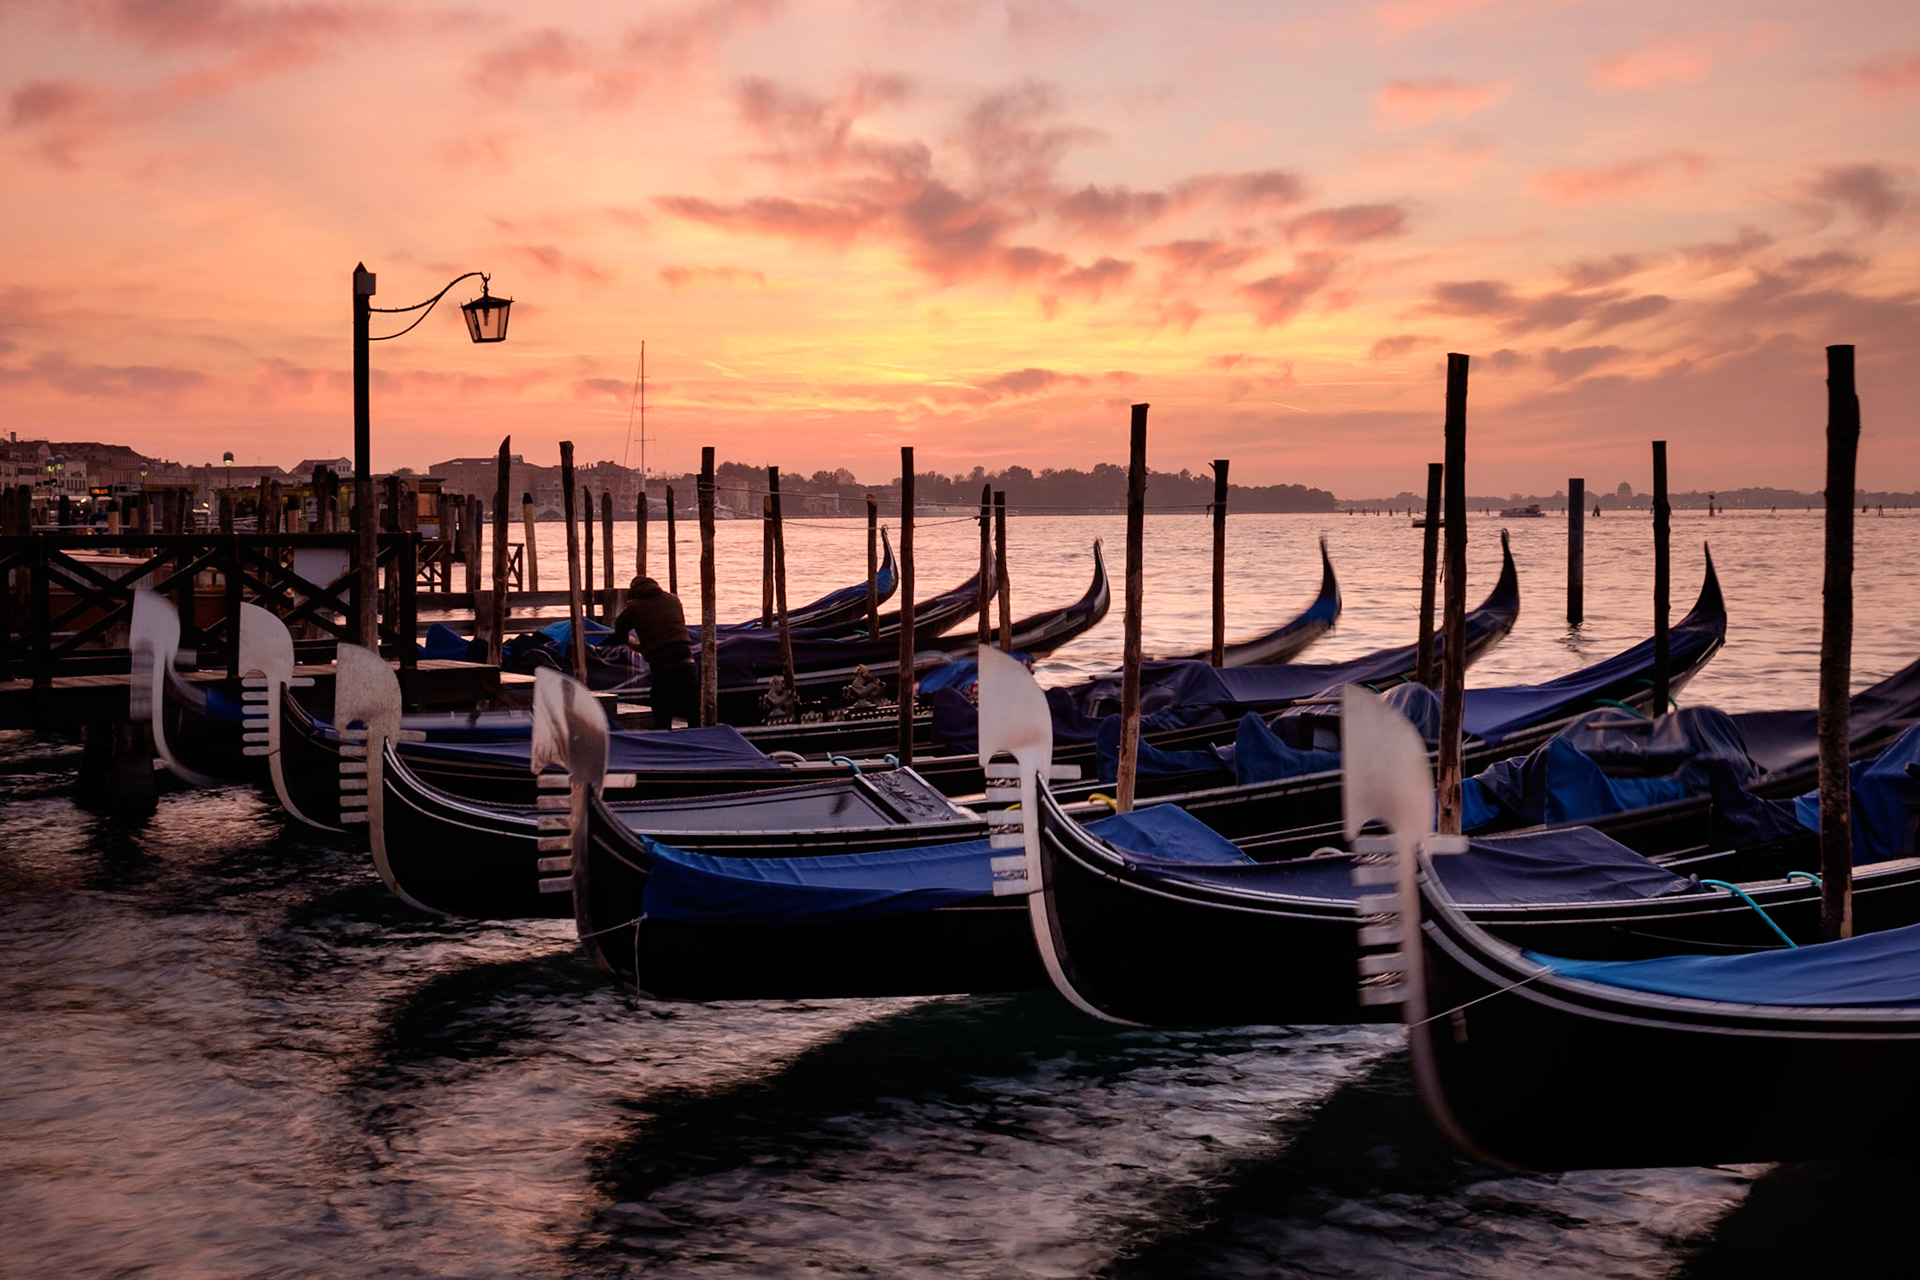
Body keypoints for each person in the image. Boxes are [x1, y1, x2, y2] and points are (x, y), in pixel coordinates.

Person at [610, 575, 697, 728]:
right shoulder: (673, 600)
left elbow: (619, 630)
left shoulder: (633, 606)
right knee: (692, 705)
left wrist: (633, 644)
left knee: (661, 705)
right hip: (685, 656)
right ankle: (699, 739)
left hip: (661, 660)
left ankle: (664, 739)